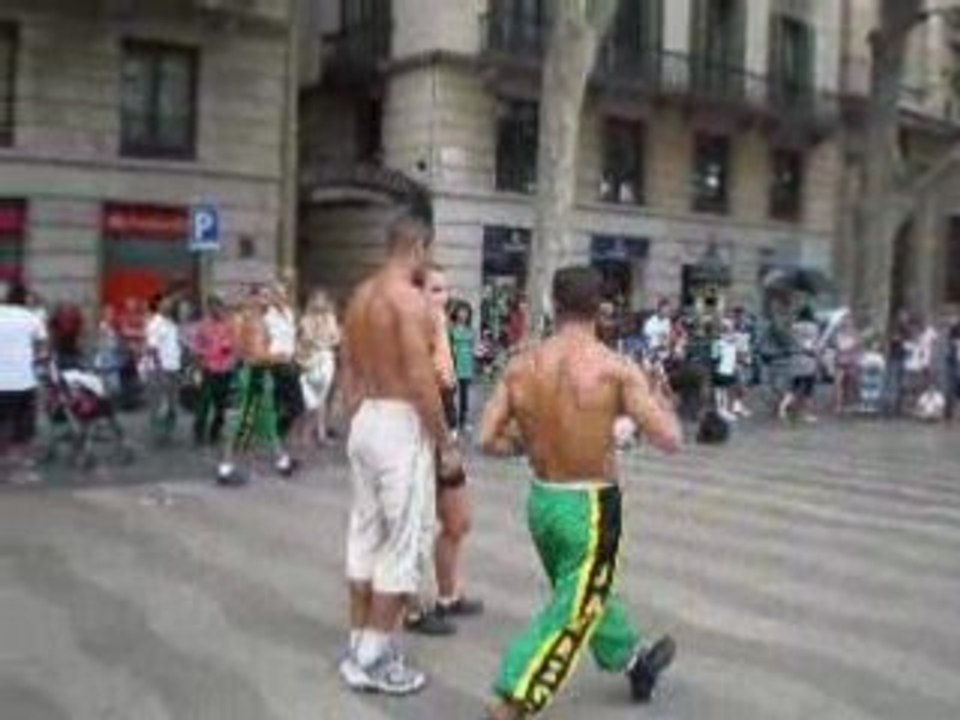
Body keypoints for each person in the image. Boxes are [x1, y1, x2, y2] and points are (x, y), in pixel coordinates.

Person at [479, 265, 682, 720]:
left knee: (582, 590)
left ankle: (632, 658)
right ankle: (515, 696)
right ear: (600, 309)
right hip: (590, 504)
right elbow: (670, 438)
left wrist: (528, 442)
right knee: (573, 606)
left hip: (542, 500)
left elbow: (486, 439)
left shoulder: (520, 365)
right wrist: (656, 396)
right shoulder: (616, 368)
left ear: (553, 304)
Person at [337, 216, 460, 696]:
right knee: (406, 543)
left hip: (367, 417)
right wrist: (444, 442)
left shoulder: (361, 296)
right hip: (400, 422)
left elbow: (348, 364)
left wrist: (357, 415)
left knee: (365, 535)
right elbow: (419, 378)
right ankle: (369, 658)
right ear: (420, 246)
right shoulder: (408, 300)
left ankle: (363, 643)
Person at [216, 284, 294, 485]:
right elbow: (257, 355)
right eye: (264, 297)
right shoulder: (254, 322)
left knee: (261, 420)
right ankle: (226, 468)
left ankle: (282, 461)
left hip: (245, 373)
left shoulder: (240, 319)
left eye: (268, 296)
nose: (268, 300)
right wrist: (279, 357)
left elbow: (238, 350)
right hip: (255, 375)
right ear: (254, 300)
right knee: (246, 421)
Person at [0, 282, 47, 471]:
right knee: (22, 425)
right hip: (24, 380)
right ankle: (17, 461)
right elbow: (43, 349)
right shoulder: (31, 317)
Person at [295, 288, 340, 449]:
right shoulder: (305, 319)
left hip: (326, 358)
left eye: (322, 299)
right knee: (310, 399)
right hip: (310, 359)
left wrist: (325, 341)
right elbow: (305, 339)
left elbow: (336, 338)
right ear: (312, 301)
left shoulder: (331, 318)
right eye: (316, 299)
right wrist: (317, 340)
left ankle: (321, 435)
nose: (319, 303)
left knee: (322, 397)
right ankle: (306, 433)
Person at [192, 296, 236, 446]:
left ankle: (214, 433)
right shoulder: (203, 325)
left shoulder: (230, 324)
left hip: (226, 370)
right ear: (209, 308)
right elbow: (196, 347)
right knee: (203, 404)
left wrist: (231, 351)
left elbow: (236, 345)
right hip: (209, 369)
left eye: (218, 307)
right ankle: (198, 434)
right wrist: (205, 354)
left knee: (221, 406)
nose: (216, 310)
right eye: (212, 307)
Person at [265, 282, 303, 440]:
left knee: (297, 406)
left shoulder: (289, 313)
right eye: (277, 294)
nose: (280, 297)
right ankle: (275, 436)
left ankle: (279, 432)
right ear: (272, 297)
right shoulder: (267, 317)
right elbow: (264, 341)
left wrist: (297, 354)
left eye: (283, 294)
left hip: (291, 362)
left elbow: (293, 337)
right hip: (276, 363)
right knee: (277, 402)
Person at [144, 294, 183, 444]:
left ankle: (168, 432)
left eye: (171, 304)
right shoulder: (155, 323)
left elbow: (175, 345)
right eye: (165, 304)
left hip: (174, 368)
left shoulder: (171, 323)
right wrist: (159, 371)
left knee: (172, 403)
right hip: (160, 370)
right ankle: (158, 433)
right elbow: (152, 348)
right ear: (159, 306)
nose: (169, 306)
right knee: (159, 403)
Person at [779, 306, 820, 423]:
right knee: (808, 390)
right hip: (808, 361)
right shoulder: (813, 328)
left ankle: (782, 408)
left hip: (795, 359)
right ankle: (807, 414)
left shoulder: (794, 327)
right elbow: (812, 345)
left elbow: (790, 341)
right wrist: (817, 356)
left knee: (793, 387)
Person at [449, 301, 476, 432]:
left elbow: (472, 349)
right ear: (456, 312)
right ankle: (451, 422)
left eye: (466, 311)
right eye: (461, 311)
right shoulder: (451, 329)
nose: (463, 314)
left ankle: (463, 422)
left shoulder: (470, 330)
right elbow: (449, 348)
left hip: (466, 367)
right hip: (454, 366)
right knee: (450, 396)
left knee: (464, 397)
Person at [712, 319, 739, 421]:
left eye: (731, 328)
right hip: (721, 370)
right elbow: (714, 357)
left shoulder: (730, 340)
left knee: (724, 391)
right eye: (729, 328)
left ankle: (723, 410)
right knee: (721, 391)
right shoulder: (719, 342)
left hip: (728, 369)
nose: (731, 330)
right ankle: (721, 411)